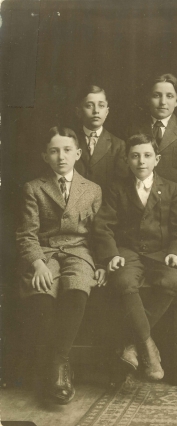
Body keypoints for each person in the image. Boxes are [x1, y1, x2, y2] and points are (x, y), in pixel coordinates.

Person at [16, 126, 105, 404]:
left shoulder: (92, 189)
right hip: (46, 251)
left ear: (78, 153)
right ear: (45, 156)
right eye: (54, 151)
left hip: (80, 251)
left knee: (77, 288)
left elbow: (100, 233)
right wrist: (38, 263)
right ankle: (56, 367)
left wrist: (101, 263)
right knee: (42, 293)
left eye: (67, 150)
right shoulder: (34, 188)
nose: (61, 157)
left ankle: (59, 363)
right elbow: (26, 234)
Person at [93, 134, 177, 381]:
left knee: (173, 280)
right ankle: (148, 348)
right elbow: (103, 225)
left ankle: (131, 345)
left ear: (156, 159)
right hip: (129, 251)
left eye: (147, 156)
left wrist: (176, 253)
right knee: (124, 281)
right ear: (127, 159)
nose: (141, 161)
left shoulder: (171, 188)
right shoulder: (117, 188)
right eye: (135, 156)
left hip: (160, 252)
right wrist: (112, 255)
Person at [130, 73, 177, 200]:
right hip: (141, 198)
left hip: (176, 201)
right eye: (156, 96)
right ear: (148, 99)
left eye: (169, 96)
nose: (163, 102)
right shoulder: (134, 129)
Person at [74, 85, 128, 187]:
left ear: (107, 112)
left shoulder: (118, 145)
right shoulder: (70, 141)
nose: (96, 111)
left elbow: (121, 184)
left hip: (106, 201)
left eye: (101, 106)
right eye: (89, 105)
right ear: (79, 112)